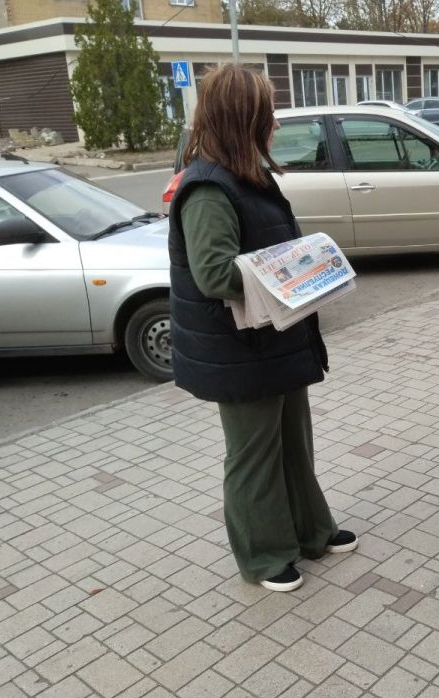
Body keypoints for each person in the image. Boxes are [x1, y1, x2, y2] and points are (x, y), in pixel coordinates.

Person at [168, 64, 356, 593]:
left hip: (275, 336)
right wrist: (290, 272)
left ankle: (311, 532)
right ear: (241, 120)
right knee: (253, 456)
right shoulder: (207, 187)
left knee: (294, 441)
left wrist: (305, 263)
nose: (274, 123)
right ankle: (264, 555)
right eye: (266, 114)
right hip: (239, 348)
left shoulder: (244, 172)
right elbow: (213, 273)